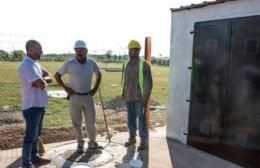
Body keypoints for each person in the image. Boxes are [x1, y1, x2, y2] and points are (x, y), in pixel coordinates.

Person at [54, 40, 102, 154]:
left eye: (81, 50)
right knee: (76, 122)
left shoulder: (91, 63)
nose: (79, 52)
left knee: (91, 121)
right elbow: (57, 76)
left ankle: (92, 143)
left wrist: (95, 88)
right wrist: (66, 89)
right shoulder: (69, 63)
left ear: (86, 51)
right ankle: (80, 143)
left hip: (88, 97)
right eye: (77, 50)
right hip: (74, 97)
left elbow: (99, 74)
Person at [19, 40, 52, 168]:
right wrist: (43, 81)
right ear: (30, 50)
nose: (42, 52)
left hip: (39, 105)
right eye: (39, 49)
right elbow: (42, 84)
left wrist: (43, 80)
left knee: (36, 135)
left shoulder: (35, 63)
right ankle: (26, 163)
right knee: (30, 137)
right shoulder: (27, 65)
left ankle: (35, 157)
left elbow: (47, 77)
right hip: (32, 106)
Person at [122, 40, 153, 150]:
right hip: (129, 97)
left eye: (135, 50)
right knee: (130, 118)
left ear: (139, 51)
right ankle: (132, 137)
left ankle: (144, 141)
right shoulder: (126, 63)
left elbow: (149, 83)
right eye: (131, 50)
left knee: (141, 119)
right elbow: (124, 80)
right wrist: (123, 92)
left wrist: (145, 99)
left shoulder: (144, 64)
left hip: (140, 99)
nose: (133, 52)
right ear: (128, 51)